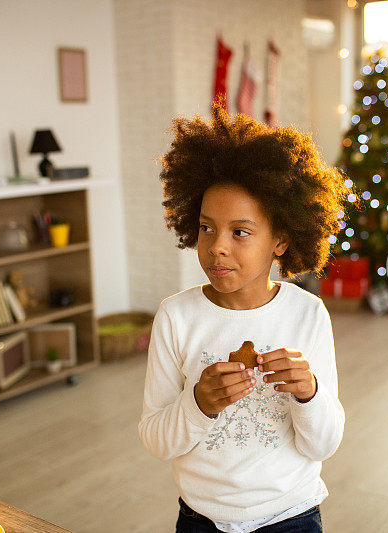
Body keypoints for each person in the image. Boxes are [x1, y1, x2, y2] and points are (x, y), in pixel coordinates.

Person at [138, 101, 348, 533]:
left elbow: (324, 443)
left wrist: (308, 393)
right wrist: (197, 404)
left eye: (240, 231)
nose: (217, 245)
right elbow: (156, 439)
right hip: (200, 518)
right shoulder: (176, 316)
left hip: (291, 515)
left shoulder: (307, 314)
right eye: (206, 226)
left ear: (281, 241)